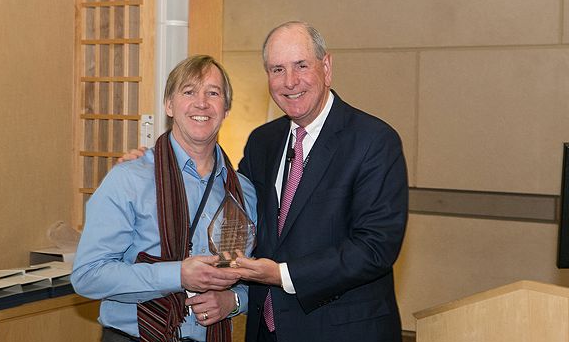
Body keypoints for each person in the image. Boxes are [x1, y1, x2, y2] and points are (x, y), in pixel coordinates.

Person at [232, 21, 409, 342]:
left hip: (344, 331)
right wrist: (152, 166)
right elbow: (230, 210)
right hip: (266, 330)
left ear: (326, 67)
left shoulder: (374, 141)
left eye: (301, 66)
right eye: (277, 69)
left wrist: (283, 274)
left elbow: (376, 247)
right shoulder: (262, 142)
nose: (290, 82)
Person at [71, 55, 257, 342]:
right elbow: (88, 275)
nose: (202, 103)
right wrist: (177, 275)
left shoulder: (243, 192)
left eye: (213, 93)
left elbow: (252, 274)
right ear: (169, 105)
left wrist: (232, 301)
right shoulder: (129, 180)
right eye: (189, 91)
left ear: (226, 109)